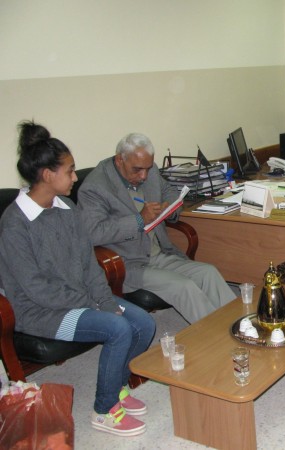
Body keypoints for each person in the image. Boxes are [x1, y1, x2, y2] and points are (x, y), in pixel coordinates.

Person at [0, 121, 155, 436]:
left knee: (144, 323)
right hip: (41, 312)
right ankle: (104, 410)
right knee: (117, 328)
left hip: (80, 300)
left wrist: (105, 300)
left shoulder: (67, 208)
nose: (74, 178)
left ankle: (117, 387)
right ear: (48, 175)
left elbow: (88, 263)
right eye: (70, 171)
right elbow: (36, 289)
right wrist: (95, 306)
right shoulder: (15, 223)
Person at [77, 133, 236, 323]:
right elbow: (93, 232)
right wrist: (139, 220)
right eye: (137, 170)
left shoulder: (148, 170)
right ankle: (214, 336)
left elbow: (169, 190)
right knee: (184, 286)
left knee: (208, 273)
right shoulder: (95, 187)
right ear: (120, 160)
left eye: (148, 168)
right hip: (128, 263)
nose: (144, 176)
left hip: (160, 254)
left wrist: (169, 206)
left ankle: (241, 326)